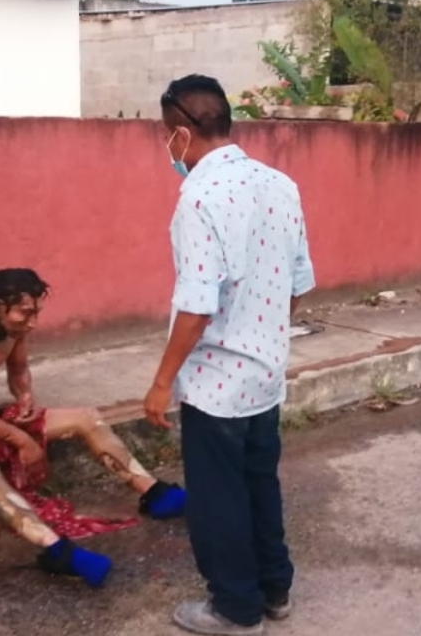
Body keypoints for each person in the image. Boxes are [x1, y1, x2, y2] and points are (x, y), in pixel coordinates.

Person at [143, 74, 316, 636]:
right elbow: (296, 283)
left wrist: (161, 382)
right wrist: (261, 330)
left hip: (217, 383)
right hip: (265, 373)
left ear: (181, 132)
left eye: (166, 135)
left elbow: (196, 306)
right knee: (259, 484)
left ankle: (236, 609)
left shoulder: (199, 197)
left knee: (218, 500)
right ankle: (275, 590)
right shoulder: (280, 184)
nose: (167, 146)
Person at [0, 268, 187, 588]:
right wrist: (20, 439)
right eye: (26, 314)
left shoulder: (11, 325)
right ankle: (55, 550)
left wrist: (25, 397)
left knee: (87, 417)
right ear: (0, 306)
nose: (33, 323)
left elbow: (19, 371)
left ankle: (153, 493)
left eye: (36, 313)